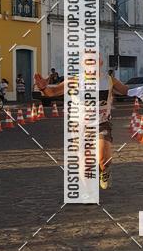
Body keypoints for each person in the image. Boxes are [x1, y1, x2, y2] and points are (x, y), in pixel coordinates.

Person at [34, 53, 129, 189]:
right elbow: (52, 92)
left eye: (94, 60)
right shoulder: (74, 81)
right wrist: (43, 87)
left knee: (103, 159)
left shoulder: (109, 80)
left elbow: (126, 91)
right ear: (83, 64)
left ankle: (104, 170)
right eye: (88, 61)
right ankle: (88, 192)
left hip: (101, 123)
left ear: (100, 63)